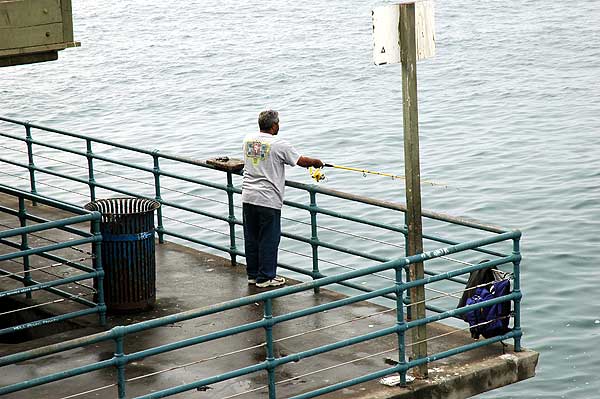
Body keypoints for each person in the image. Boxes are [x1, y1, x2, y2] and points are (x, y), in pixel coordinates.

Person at [242, 110, 323, 288]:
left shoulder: (248, 140)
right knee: (269, 238)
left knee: (252, 237)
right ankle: (266, 277)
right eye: (278, 123)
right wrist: (316, 162)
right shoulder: (279, 144)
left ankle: (253, 274)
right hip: (268, 198)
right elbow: (300, 161)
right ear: (274, 125)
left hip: (248, 196)